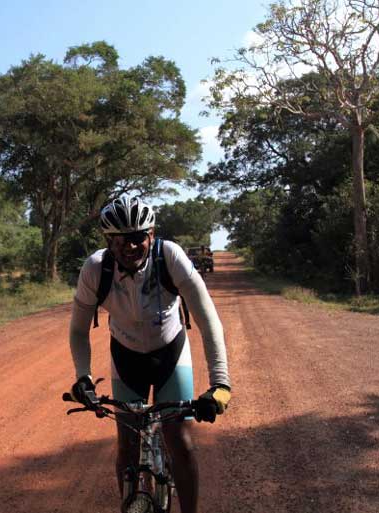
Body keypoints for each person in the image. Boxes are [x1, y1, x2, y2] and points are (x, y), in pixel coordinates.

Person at [68, 195, 231, 513]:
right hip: (126, 357)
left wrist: (220, 383)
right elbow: (77, 330)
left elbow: (207, 319)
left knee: (179, 442)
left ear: (151, 235)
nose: (129, 247)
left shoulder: (170, 257)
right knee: (126, 444)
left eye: (137, 238)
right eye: (119, 240)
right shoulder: (95, 269)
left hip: (171, 353)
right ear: (108, 241)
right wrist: (83, 377)